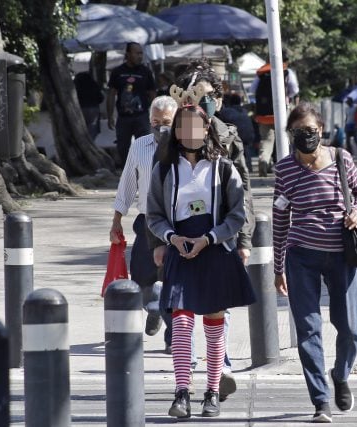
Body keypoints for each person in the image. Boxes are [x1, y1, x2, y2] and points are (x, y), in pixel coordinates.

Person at [152, 59, 255, 402]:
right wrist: (166, 239)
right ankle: (182, 388)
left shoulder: (227, 145)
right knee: (180, 320)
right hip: (180, 246)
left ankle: (214, 380)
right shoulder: (163, 159)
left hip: (216, 243)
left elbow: (242, 200)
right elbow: (154, 208)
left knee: (215, 317)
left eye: (209, 97)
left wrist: (241, 241)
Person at [272, 103, 357, 423]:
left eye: (311, 131)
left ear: (322, 130)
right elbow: (279, 219)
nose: (306, 137)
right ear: (290, 135)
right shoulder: (285, 169)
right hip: (301, 257)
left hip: (343, 254)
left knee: (351, 329)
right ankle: (320, 400)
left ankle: (340, 374)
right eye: (299, 132)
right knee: (308, 329)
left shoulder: (342, 158)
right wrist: (278, 267)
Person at [110, 96, 178, 337]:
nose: (160, 126)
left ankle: (173, 335)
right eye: (155, 121)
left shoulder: (186, 145)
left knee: (173, 279)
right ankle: (155, 307)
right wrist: (117, 220)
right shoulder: (139, 145)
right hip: (147, 221)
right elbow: (127, 183)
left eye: (167, 121)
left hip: (177, 222)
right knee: (140, 276)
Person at [107, 42, 156, 166]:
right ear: (128, 54)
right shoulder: (118, 72)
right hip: (123, 118)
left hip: (142, 116)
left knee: (145, 147)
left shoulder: (146, 72)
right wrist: (110, 116)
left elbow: (152, 94)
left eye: (141, 53)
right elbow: (111, 94)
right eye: (137, 53)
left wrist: (154, 115)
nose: (140, 56)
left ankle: (143, 171)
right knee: (122, 148)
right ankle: (127, 173)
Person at [251, 62, 300, 176]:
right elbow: (294, 90)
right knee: (284, 138)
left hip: (264, 113)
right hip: (282, 111)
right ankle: (286, 166)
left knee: (266, 140)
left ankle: (264, 160)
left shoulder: (261, 73)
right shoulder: (287, 71)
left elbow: (253, 90)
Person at [218, 93, 256, 172]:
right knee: (246, 149)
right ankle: (249, 167)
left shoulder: (226, 111)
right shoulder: (244, 111)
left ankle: (240, 168)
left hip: (237, 136)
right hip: (249, 135)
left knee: (236, 147)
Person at [74, 72, 104, 140]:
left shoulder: (76, 86)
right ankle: (90, 144)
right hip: (93, 109)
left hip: (80, 109)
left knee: (79, 130)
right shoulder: (93, 85)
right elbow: (101, 98)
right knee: (92, 130)